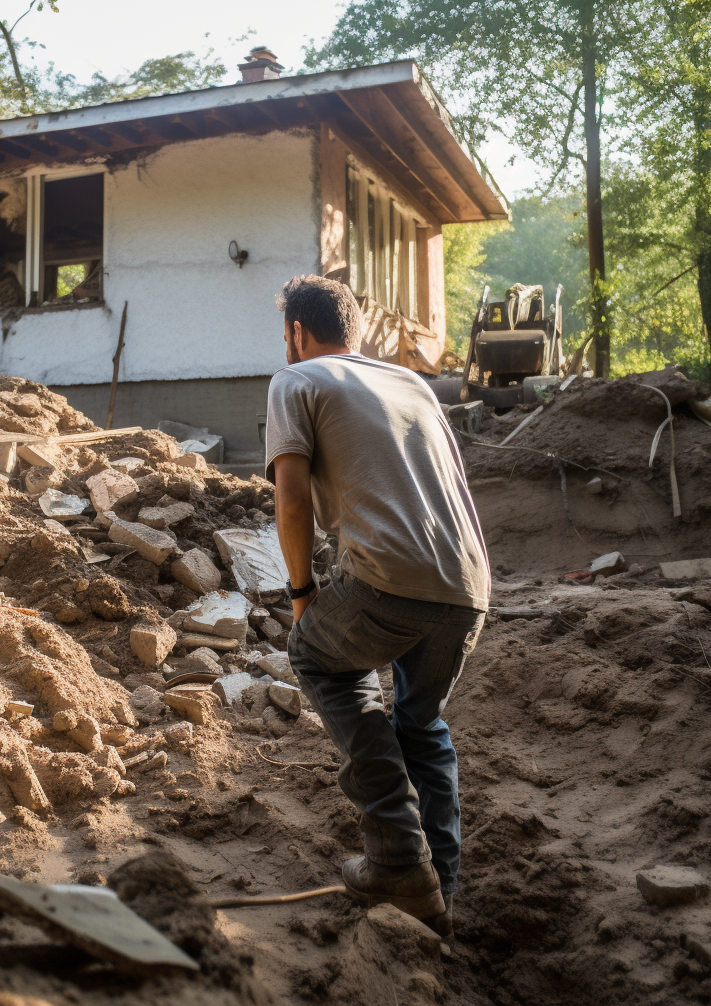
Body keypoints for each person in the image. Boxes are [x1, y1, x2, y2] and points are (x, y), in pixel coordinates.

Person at [265, 274, 490, 935]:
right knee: (423, 727)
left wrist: (304, 593)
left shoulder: (296, 381)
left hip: (391, 580)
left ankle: (395, 853)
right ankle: (434, 903)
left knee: (317, 657)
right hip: (469, 585)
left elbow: (293, 502)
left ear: (298, 333)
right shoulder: (413, 385)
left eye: (287, 337)